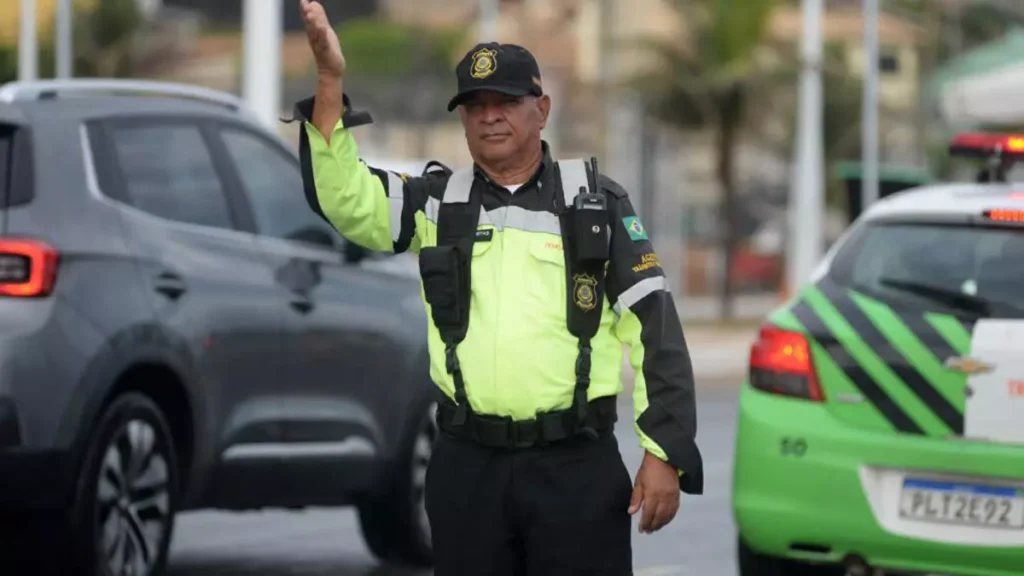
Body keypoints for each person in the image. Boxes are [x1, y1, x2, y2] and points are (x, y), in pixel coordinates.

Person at [293, 1, 703, 574]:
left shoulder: (596, 204)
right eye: (475, 105)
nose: (490, 116)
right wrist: (330, 79)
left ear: (543, 109)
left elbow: (656, 328)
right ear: (462, 119)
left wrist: (664, 453)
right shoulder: (436, 203)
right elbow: (345, 198)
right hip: (468, 470)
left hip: (575, 470)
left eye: (506, 101)